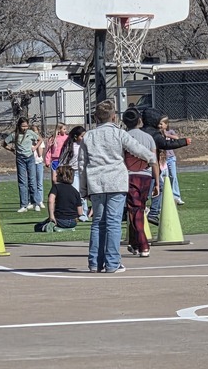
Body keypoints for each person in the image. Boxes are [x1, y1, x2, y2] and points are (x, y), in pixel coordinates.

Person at [78, 99, 158, 274]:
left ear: (95, 117)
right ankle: (112, 263)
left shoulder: (88, 136)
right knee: (113, 223)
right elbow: (137, 148)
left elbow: (82, 164)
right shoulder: (119, 133)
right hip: (116, 181)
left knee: (98, 223)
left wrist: (83, 189)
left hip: (96, 182)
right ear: (114, 117)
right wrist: (152, 159)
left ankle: (95, 263)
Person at [140, 107, 191, 224]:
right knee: (155, 188)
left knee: (148, 189)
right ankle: (152, 212)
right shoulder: (154, 134)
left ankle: (146, 210)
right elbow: (166, 144)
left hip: (137, 166)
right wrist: (184, 141)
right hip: (149, 168)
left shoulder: (139, 132)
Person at [121, 107, 157, 258]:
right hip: (146, 176)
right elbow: (154, 160)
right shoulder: (148, 138)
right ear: (140, 120)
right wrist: (157, 182)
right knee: (137, 209)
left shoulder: (123, 136)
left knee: (135, 210)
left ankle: (143, 244)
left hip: (131, 176)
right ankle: (134, 243)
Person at [2, 117, 42, 213]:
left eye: (26, 126)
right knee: (22, 182)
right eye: (23, 126)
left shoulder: (30, 133)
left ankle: (36, 203)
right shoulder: (14, 135)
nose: (25, 128)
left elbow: (40, 139)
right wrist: (12, 150)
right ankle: (23, 205)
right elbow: (4, 144)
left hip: (30, 158)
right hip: (20, 159)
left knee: (32, 180)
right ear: (19, 126)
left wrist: (35, 147)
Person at [34, 165, 84, 231]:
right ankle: (66, 229)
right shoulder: (75, 191)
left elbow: (51, 200)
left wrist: (51, 216)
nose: (56, 176)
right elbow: (80, 212)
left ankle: (53, 227)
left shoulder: (56, 187)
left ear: (61, 176)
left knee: (37, 227)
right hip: (73, 222)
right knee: (66, 224)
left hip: (59, 220)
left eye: (57, 174)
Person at [58, 125, 90, 220]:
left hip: (83, 172)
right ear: (76, 137)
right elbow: (63, 160)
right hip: (73, 172)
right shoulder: (70, 146)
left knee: (83, 193)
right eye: (82, 136)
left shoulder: (85, 146)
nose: (84, 138)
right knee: (76, 193)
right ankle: (75, 213)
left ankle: (84, 213)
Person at [159, 116, 185, 205]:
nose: (160, 126)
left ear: (166, 124)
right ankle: (164, 197)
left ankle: (176, 196)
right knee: (162, 178)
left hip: (170, 158)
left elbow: (177, 138)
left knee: (173, 176)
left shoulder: (170, 132)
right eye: (159, 124)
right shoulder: (157, 133)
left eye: (161, 124)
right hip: (162, 159)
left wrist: (167, 135)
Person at [30, 122, 46, 210]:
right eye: (33, 132)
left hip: (39, 163)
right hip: (31, 163)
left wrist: (37, 144)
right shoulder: (29, 142)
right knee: (32, 182)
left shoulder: (41, 142)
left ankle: (40, 200)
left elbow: (40, 154)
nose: (35, 133)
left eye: (36, 132)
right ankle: (33, 201)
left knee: (39, 182)